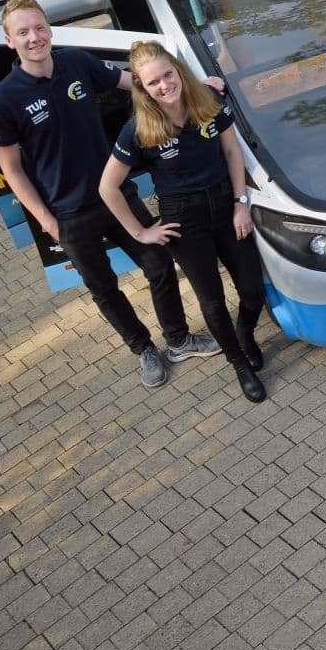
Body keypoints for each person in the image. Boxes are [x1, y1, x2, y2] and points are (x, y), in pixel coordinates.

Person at [0, 0, 215, 391]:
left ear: (49, 29)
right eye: (23, 32)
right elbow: (11, 169)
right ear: (10, 42)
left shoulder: (77, 62)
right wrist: (46, 220)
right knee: (105, 289)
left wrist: (195, 87)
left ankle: (178, 340)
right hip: (68, 215)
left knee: (159, 265)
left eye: (38, 27)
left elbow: (139, 83)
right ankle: (143, 349)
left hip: (116, 196)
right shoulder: (3, 100)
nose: (34, 37)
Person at [98, 42, 270, 402]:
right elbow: (108, 187)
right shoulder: (138, 129)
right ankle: (239, 364)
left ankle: (246, 335)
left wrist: (240, 203)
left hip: (225, 206)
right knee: (212, 300)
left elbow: (231, 150)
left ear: (178, 70)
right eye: (153, 82)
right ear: (143, 89)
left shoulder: (206, 100)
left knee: (253, 289)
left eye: (168, 74)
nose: (164, 85)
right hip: (183, 219)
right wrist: (141, 232)